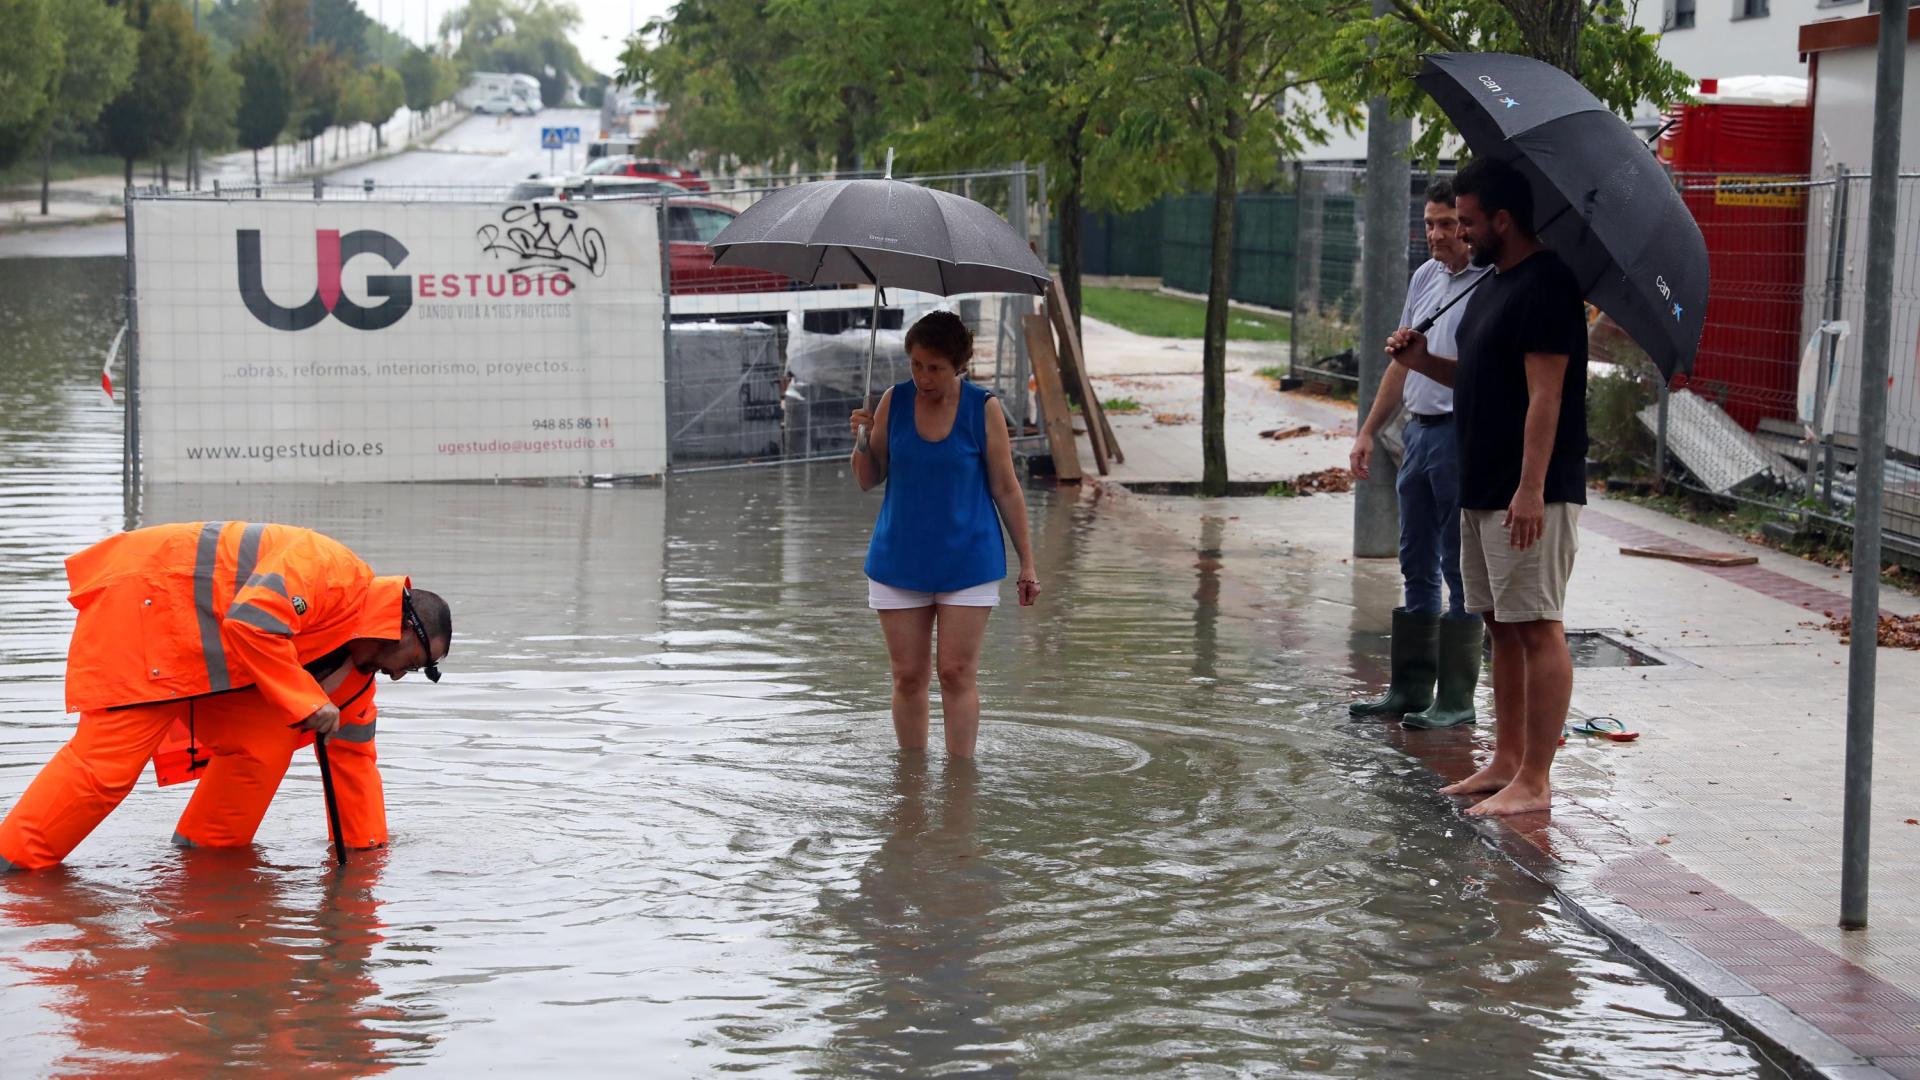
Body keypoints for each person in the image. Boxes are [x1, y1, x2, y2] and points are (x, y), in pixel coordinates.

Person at [0, 522, 452, 871]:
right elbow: (254, 621)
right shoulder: (330, 567)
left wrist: (365, 861)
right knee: (106, 769)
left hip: (207, 648)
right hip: (148, 603)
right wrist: (308, 704)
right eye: (413, 663)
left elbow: (354, 765)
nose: (400, 676)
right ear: (401, 627)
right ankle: (13, 867)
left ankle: (205, 862)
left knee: (262, 748)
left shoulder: (356, 679)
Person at [1383, 156, 1588, 817]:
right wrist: (1422, 363)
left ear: (1503, 219)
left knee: (1537, 624)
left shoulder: (1547, 285)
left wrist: (1530, 488)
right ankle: (1504, 761)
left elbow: (1545, 397)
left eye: (1467, 221)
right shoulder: (1492, 284)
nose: (1460, 233)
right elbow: (1477, 380)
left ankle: (1536, 779)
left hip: (1527, 490)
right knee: (1500, 625)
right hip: (1480, 482)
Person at [849, 311, 1039, 758]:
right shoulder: (893, 402)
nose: (923, 377)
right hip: (899, 559)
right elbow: (867, 479)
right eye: (916, 365)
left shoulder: (983, 408)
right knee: (908, 676)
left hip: (968, 560)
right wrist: (861, 440)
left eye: (934, 367)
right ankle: (910, 780)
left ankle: (960, 783)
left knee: (955, 673)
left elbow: (1006, 489)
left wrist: (1028, 563)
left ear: (959, 366)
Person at [1350, 179, 1491, 729]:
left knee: (1459, 563)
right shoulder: (1426, 278)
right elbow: (1401, 361)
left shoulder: (1487, 283)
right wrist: (1369, 430)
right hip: (1419, 431)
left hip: (1462, 432)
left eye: (1446, 223)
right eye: (1429, 223)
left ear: (1467, 224)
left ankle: (1455, 698)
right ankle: (1410, 686)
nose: (1435, 233)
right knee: (1415, 558)